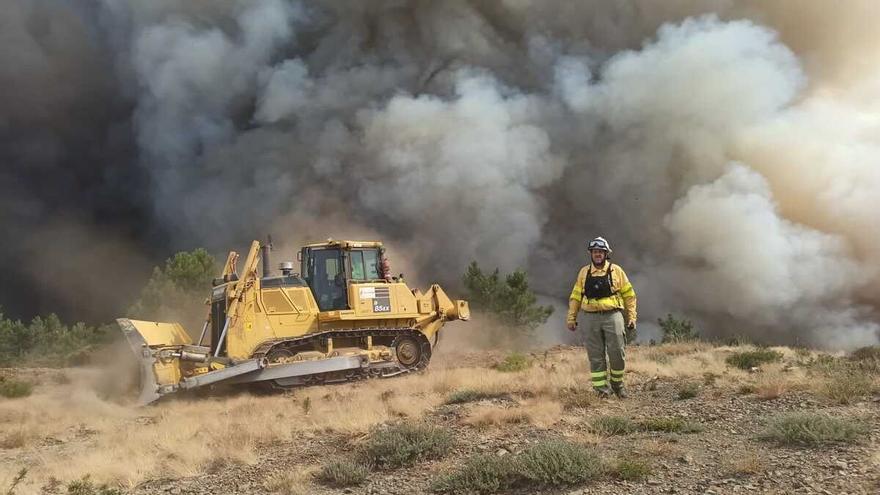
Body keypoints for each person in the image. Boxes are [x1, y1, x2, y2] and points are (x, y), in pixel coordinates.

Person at [566, 237, 637, 398]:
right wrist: (571, 318)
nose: (598, 254)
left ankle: (618, 386)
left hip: (613, 316)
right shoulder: (584, 272)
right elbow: (576, 297)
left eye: (600, 252)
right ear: (591, 254)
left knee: (617, 353)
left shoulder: (616, 271)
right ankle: (601, 391)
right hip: (590, 318)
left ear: (606, 254)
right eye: (595, 252)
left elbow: (629, 296)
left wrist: (631, 317)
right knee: (595, 356)